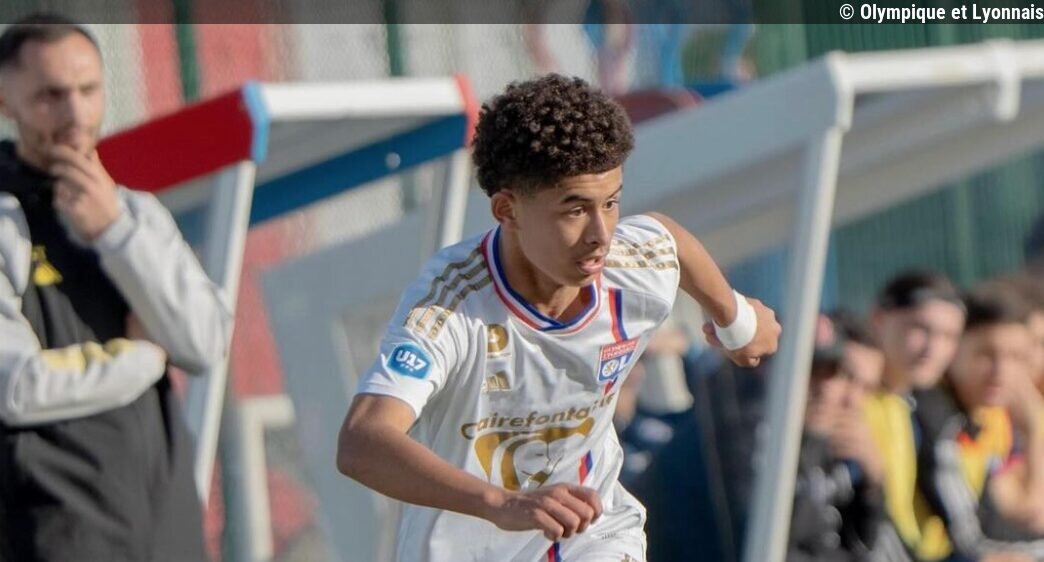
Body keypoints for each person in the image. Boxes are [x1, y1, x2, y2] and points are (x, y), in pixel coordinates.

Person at [335, 74, 781, 562]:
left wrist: (736, 320)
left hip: (593, 535)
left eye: (611, 203)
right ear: (507, 210)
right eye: (575, 210)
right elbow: (362, 442)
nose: (601, 234)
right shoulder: (452, 304)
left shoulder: (632, 266)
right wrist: (501, 503)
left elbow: (667, 238)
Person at [0, 15, 231, 562]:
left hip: (168, 537)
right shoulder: (7, 219)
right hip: (56, 539)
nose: (76, 115)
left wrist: (114, 234)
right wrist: (141, 359)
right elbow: (14, 388)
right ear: (6, 101)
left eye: (89, 91)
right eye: (51, 96)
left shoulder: (133, 212)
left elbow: (205, 342)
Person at [915, 282, 1044, 562]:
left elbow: (999, 518)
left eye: (1015, 357)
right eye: (986, 354)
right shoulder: (936, 417)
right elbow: (971, 542)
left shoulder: (988, 416)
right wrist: (1035, 428)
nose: (1001, 371)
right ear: (955, 348)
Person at [862, 271, 967, 560]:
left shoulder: (918, 405)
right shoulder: (851, 400)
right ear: (878, 319)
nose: (932, 349)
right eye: (920, 328)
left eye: (949, 337)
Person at [788, 314, 887, 562]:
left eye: (867, 388)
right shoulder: (762, 436)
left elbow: (862, 548)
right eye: (846, 376)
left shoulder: (847, 451)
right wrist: (810, 440)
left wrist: (873, 484)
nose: (853, 400)